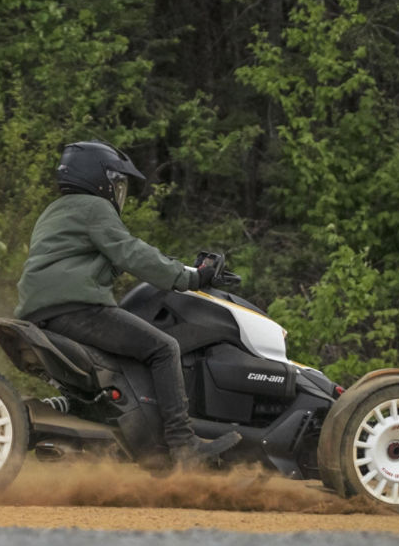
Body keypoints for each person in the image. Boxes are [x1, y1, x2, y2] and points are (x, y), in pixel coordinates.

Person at [14, 140, 240, 469]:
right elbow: (132, 253)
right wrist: (191, 277)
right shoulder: (94, 207)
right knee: (164, 348)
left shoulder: (55, 211)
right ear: (100, 179)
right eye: (117, 182)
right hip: (76, 309)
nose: (119, 190)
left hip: (41, 312)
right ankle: (183, 443)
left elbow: (92, 259)